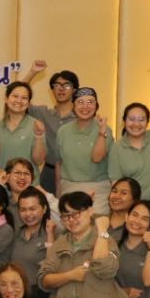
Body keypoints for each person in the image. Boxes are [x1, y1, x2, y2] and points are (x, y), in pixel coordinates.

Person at [38, 192, 126, 298]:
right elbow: (44, 280)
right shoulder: (60, 243)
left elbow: (106, 269)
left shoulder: (106, 240)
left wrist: (102, 231)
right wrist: (70, 275)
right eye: (66, 216)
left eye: (76, 214)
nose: (71, 220)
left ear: (90, 211)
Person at [54, 87, 112, 215]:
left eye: (90, 102)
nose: (85, 106)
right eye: (80, 102)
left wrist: (101, 133)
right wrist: (58, 191)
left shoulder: (105, 129)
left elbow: (97, 157)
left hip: (98, 190)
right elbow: (59, 163)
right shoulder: (63, 131)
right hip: (69, 187)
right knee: (70, 223)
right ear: (73, 106)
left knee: (97, 224)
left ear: (96, 106)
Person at [0, 81, 47, 180]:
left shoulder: (36, 126)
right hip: (1, 183)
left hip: (27, 185)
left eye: (24, 98)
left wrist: (39, 136)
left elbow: (39, 161)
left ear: (28, 103)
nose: (19, 101)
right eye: (15, 96)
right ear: (6, 99)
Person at [30, 68, 80, 192]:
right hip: (49, 172)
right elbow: (18, 93)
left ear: (74, 90)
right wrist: (32, 72)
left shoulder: (82, 116)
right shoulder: (44, 113)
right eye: (57, 85)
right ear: (52, 90)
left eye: (66, 85)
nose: (61, 89)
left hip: (74, 173)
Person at [8, 187, 54, 296]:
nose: (28, 214)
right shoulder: (16, 233)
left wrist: (50, 236)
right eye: (23, 210)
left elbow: (52, 266)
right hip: (15, 293)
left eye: (32, 209)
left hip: (40, 294)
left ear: (44, 209)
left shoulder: (52, 233)